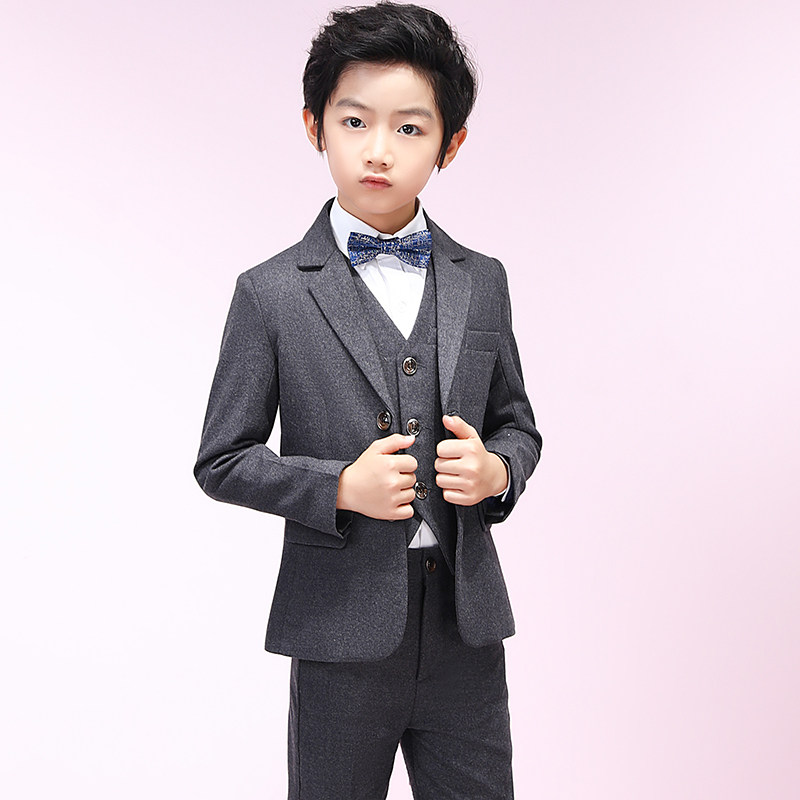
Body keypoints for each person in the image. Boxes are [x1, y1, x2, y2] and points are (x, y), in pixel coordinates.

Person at [194, 3, 542, 797]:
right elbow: (222, 459)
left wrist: (497, 472)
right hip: (338, 630)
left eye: (410, 129)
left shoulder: (483, 281)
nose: (379, 149)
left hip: (464, 625)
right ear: (314, 126)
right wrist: (339, 487)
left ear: (451, 144)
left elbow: (517, 425)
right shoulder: (271, 293)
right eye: (354, 121)